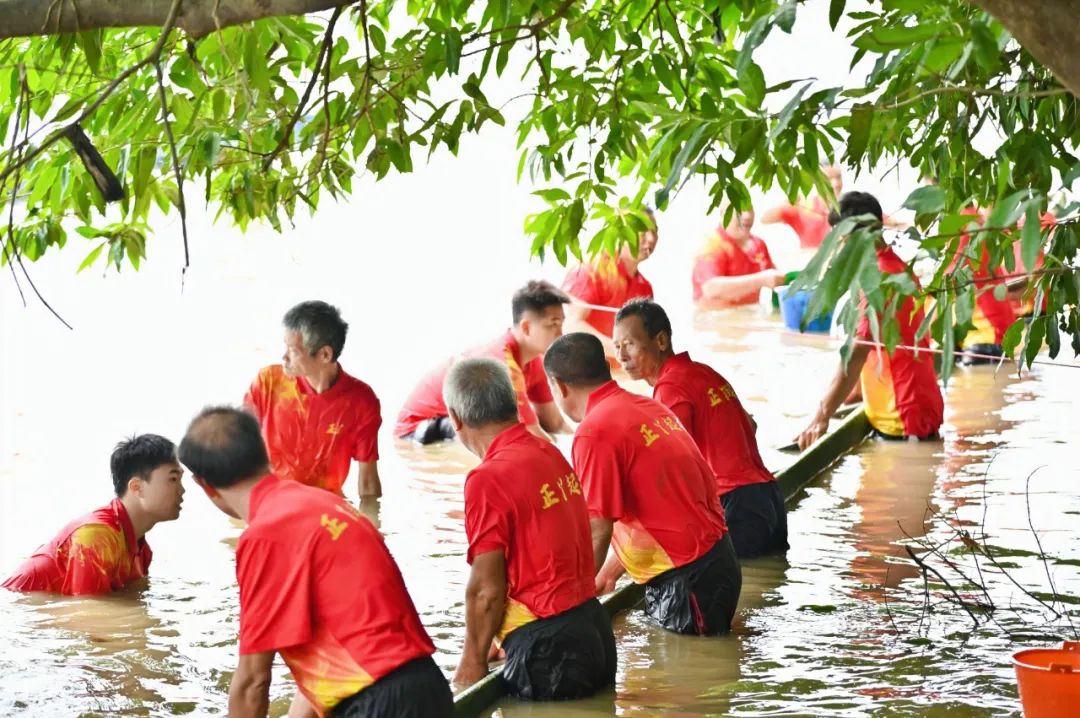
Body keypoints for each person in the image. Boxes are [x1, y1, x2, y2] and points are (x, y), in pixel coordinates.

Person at [177, 407, 451, 718]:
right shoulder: (326, 503)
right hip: (428, 688)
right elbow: (327, 655)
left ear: (204, 484)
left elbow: (253, 681)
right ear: (263, 452)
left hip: (379, 701)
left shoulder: (265, 535)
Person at [543, 333, 742, 636]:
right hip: (717, 560)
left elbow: (597, 530)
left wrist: (564, 609)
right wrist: (609, 572)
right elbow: (660, 509)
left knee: (691, 664)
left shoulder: (593, 432)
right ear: (606, 366)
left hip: (687, 580)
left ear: (559, 386)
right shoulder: (647, 406)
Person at [445, 359, 616, 700]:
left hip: (549, 652)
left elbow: (485, 590)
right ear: (512, 403)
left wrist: (471, 663)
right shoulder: (549, 452)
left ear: (455, 418)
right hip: (595, 632)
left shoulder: (487, 478)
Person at [613, 299, 788, 558]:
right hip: (769, 496)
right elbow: (750, 424)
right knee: (768, 578)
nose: (621, 356)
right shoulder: (703, 372)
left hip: (736, 504)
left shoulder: (670, 387)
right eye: (616, 346)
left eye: (629, 344)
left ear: (661, 341)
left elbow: (672, 464)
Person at [795, 192, 943, 449]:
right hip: (919, 407)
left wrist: (821, 417)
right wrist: (852, 394)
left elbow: (857, 352)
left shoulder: (877, 279)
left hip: (902, 420)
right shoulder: (897, 266)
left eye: (840, 240)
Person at [3, 435, 183, 596]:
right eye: (173, 479)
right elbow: (87, 615)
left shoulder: (142, 551)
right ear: (137, 487)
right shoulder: (96, 536)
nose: (182, 490)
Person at [395, 281, 571, 444]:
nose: (561, 334)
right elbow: (531, 435)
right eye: (553, 325)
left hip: (453, 422)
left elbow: (554, 423)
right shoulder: (502, 365)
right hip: (419, 430)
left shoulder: (534, 361)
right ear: (526, 327)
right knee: (498, 433)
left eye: (562, 324)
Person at [244, 300, 383, 498]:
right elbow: (239, 449)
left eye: (293, 351)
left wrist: (373, 518)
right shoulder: (267, 382)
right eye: (286, 347)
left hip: (324, 505)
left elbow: (368, 482)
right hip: (271, 500)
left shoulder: (361, 401)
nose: (284, 357)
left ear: (325, 354)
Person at [562, 208, 658, 356]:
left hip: (618, 369)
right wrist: (622, 352)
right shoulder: (592, 270)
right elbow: (570, 326)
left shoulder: (645, 287)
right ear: (619, 233)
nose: (651, 238)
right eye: (642, 230)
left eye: (655, 231)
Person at [948, 207, 1017, 364]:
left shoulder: (962, 223)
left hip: (983, 338)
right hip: (1002, 333)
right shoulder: (980, 222)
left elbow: (948, 281)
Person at [693, 207, 787, 305]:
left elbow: (775, 279)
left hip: (751, 312)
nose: (747, 216)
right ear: (723, 213)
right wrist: (761, 280)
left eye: (749, 209)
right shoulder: (711, 244)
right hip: (714, 314)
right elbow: (710, 289)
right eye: (739, 210)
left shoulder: (759, 244)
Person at [760, 166, 843, 249]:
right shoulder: (805, 207)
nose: (836, 184)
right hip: (811, 255)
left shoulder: (847, 206)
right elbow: (765, 219)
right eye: (829, 178)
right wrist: (788, 202)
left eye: (838, 177)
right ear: (817, 181)